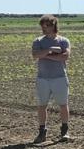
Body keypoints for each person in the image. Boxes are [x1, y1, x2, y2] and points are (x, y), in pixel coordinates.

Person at [31, 14, 72, 142]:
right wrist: (49, 50)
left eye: (46, 26)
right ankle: (42, 131)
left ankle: (65, 131)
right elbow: (35, 55)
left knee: (63, 105)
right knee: (42, 105)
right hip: (43, 78)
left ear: (53, 26)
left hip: (59, 77)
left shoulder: (63, 41)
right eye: (42, 26)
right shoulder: (38, 41)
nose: (44, 28)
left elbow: (64, 56)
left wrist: (46, 55)